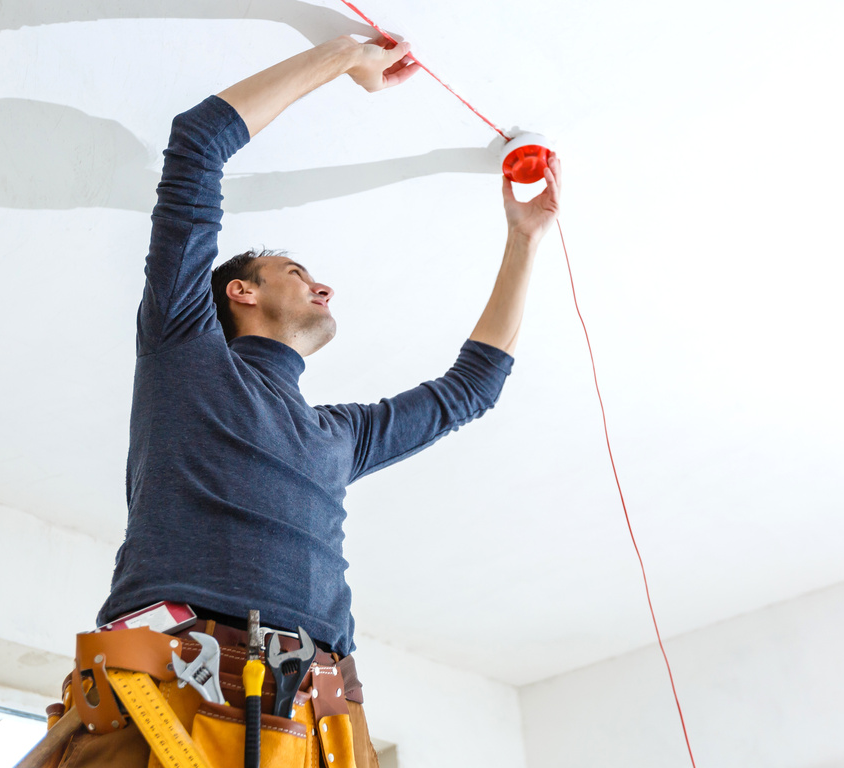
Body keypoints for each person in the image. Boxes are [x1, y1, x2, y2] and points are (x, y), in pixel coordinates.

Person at [61, 33, 561, 768]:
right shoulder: (184, 347)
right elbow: (197, 144)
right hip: (165, 687)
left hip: (321, 712)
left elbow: (471, 389)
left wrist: (525, 240)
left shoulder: (340, 436)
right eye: (295, 272)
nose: (322, 286)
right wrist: (343, 56)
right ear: (241, 292)